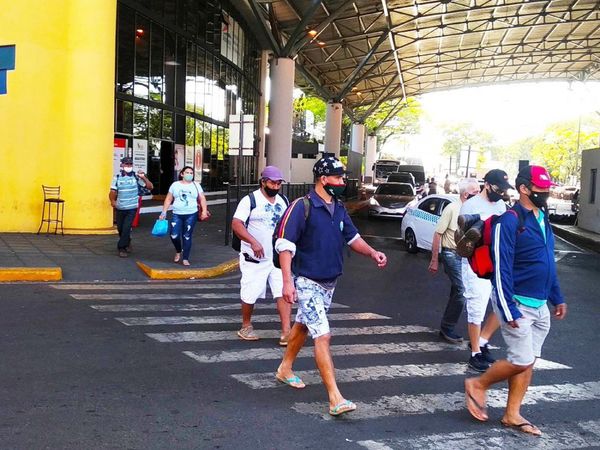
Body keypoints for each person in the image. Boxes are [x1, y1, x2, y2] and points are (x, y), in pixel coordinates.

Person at [273, 155, 387, 417]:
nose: (342, 182)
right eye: (338, 177)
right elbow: (285, 246)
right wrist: (288, 282)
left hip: (329, 281)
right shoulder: (301, 207)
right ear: (324, 179)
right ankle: (335, 397)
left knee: (303, 324)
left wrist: (372, 253)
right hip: (307, 280)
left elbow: (353, 237)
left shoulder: (338, 207)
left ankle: (285, 368)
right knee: (322, 334)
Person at [465, 165, 567, 436]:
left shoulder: (542, 217)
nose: (545, 194)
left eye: (547, 189)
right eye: (541, 189)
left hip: (540, 302)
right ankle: (479, 384)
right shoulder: (508, 221)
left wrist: (557, 297)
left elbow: (548, 262)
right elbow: (501, 270)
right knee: (520, 361)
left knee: (528, 361)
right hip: (517, 303)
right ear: (524, 189)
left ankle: (512, 413)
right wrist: (508, 308)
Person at [231, 166, 291, 344]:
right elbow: (237, 224)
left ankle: (286, 331)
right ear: (263, 182)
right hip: (254, 258)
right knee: (250, 292)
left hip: (278, 257)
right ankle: (246, 325)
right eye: (273, 182)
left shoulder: (283, 200)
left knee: (283, 292)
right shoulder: (250, 200)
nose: (276, 186)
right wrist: (253, 241)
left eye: (279, 183)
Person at [458, 169, 511, 372]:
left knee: (502, 304)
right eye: (498, 188)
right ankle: (475, 353)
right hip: (476, 264)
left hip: (497, 263)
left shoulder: (501, 205)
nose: (502, 193)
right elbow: (464, 241)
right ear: (487, 185)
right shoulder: (470, 206)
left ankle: (482, 341)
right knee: (476, 308)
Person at [429, 178, 480, 344]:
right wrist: (434, 260)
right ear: (466, 194)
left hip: (466, 257)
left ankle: (446, 326)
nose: (479, 195)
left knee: (457, 291)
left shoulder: (476, 209)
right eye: (476, 192)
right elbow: (438, 234)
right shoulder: (452, 208)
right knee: (462, 291)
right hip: (451, 254)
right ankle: (447, 328)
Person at [159, 166, 209, 266]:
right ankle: (178, 250)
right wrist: (163, 212)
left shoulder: (196, 185)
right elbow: (168, 199)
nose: (189, 175)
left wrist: (204, 211)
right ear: (182, 174)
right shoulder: (175, 185)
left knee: (187, 236)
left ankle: (185, 258)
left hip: (191, 214)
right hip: (177, 214)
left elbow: (202, 198)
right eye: (187, 172)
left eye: (191, 173)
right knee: (174, 235)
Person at [109, 156, 153, 258]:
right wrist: (112, 201)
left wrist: (143, 177)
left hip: (132, 207)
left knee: (127, 227)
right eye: (126, 164)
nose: (128, 166)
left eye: (130, 164)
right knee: (120, 228)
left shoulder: (136, 177)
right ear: (122, 165)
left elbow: (150, 187)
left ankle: (121, 248)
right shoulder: (117, 177)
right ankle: (127, 241)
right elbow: (112, 191)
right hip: (120, 207)